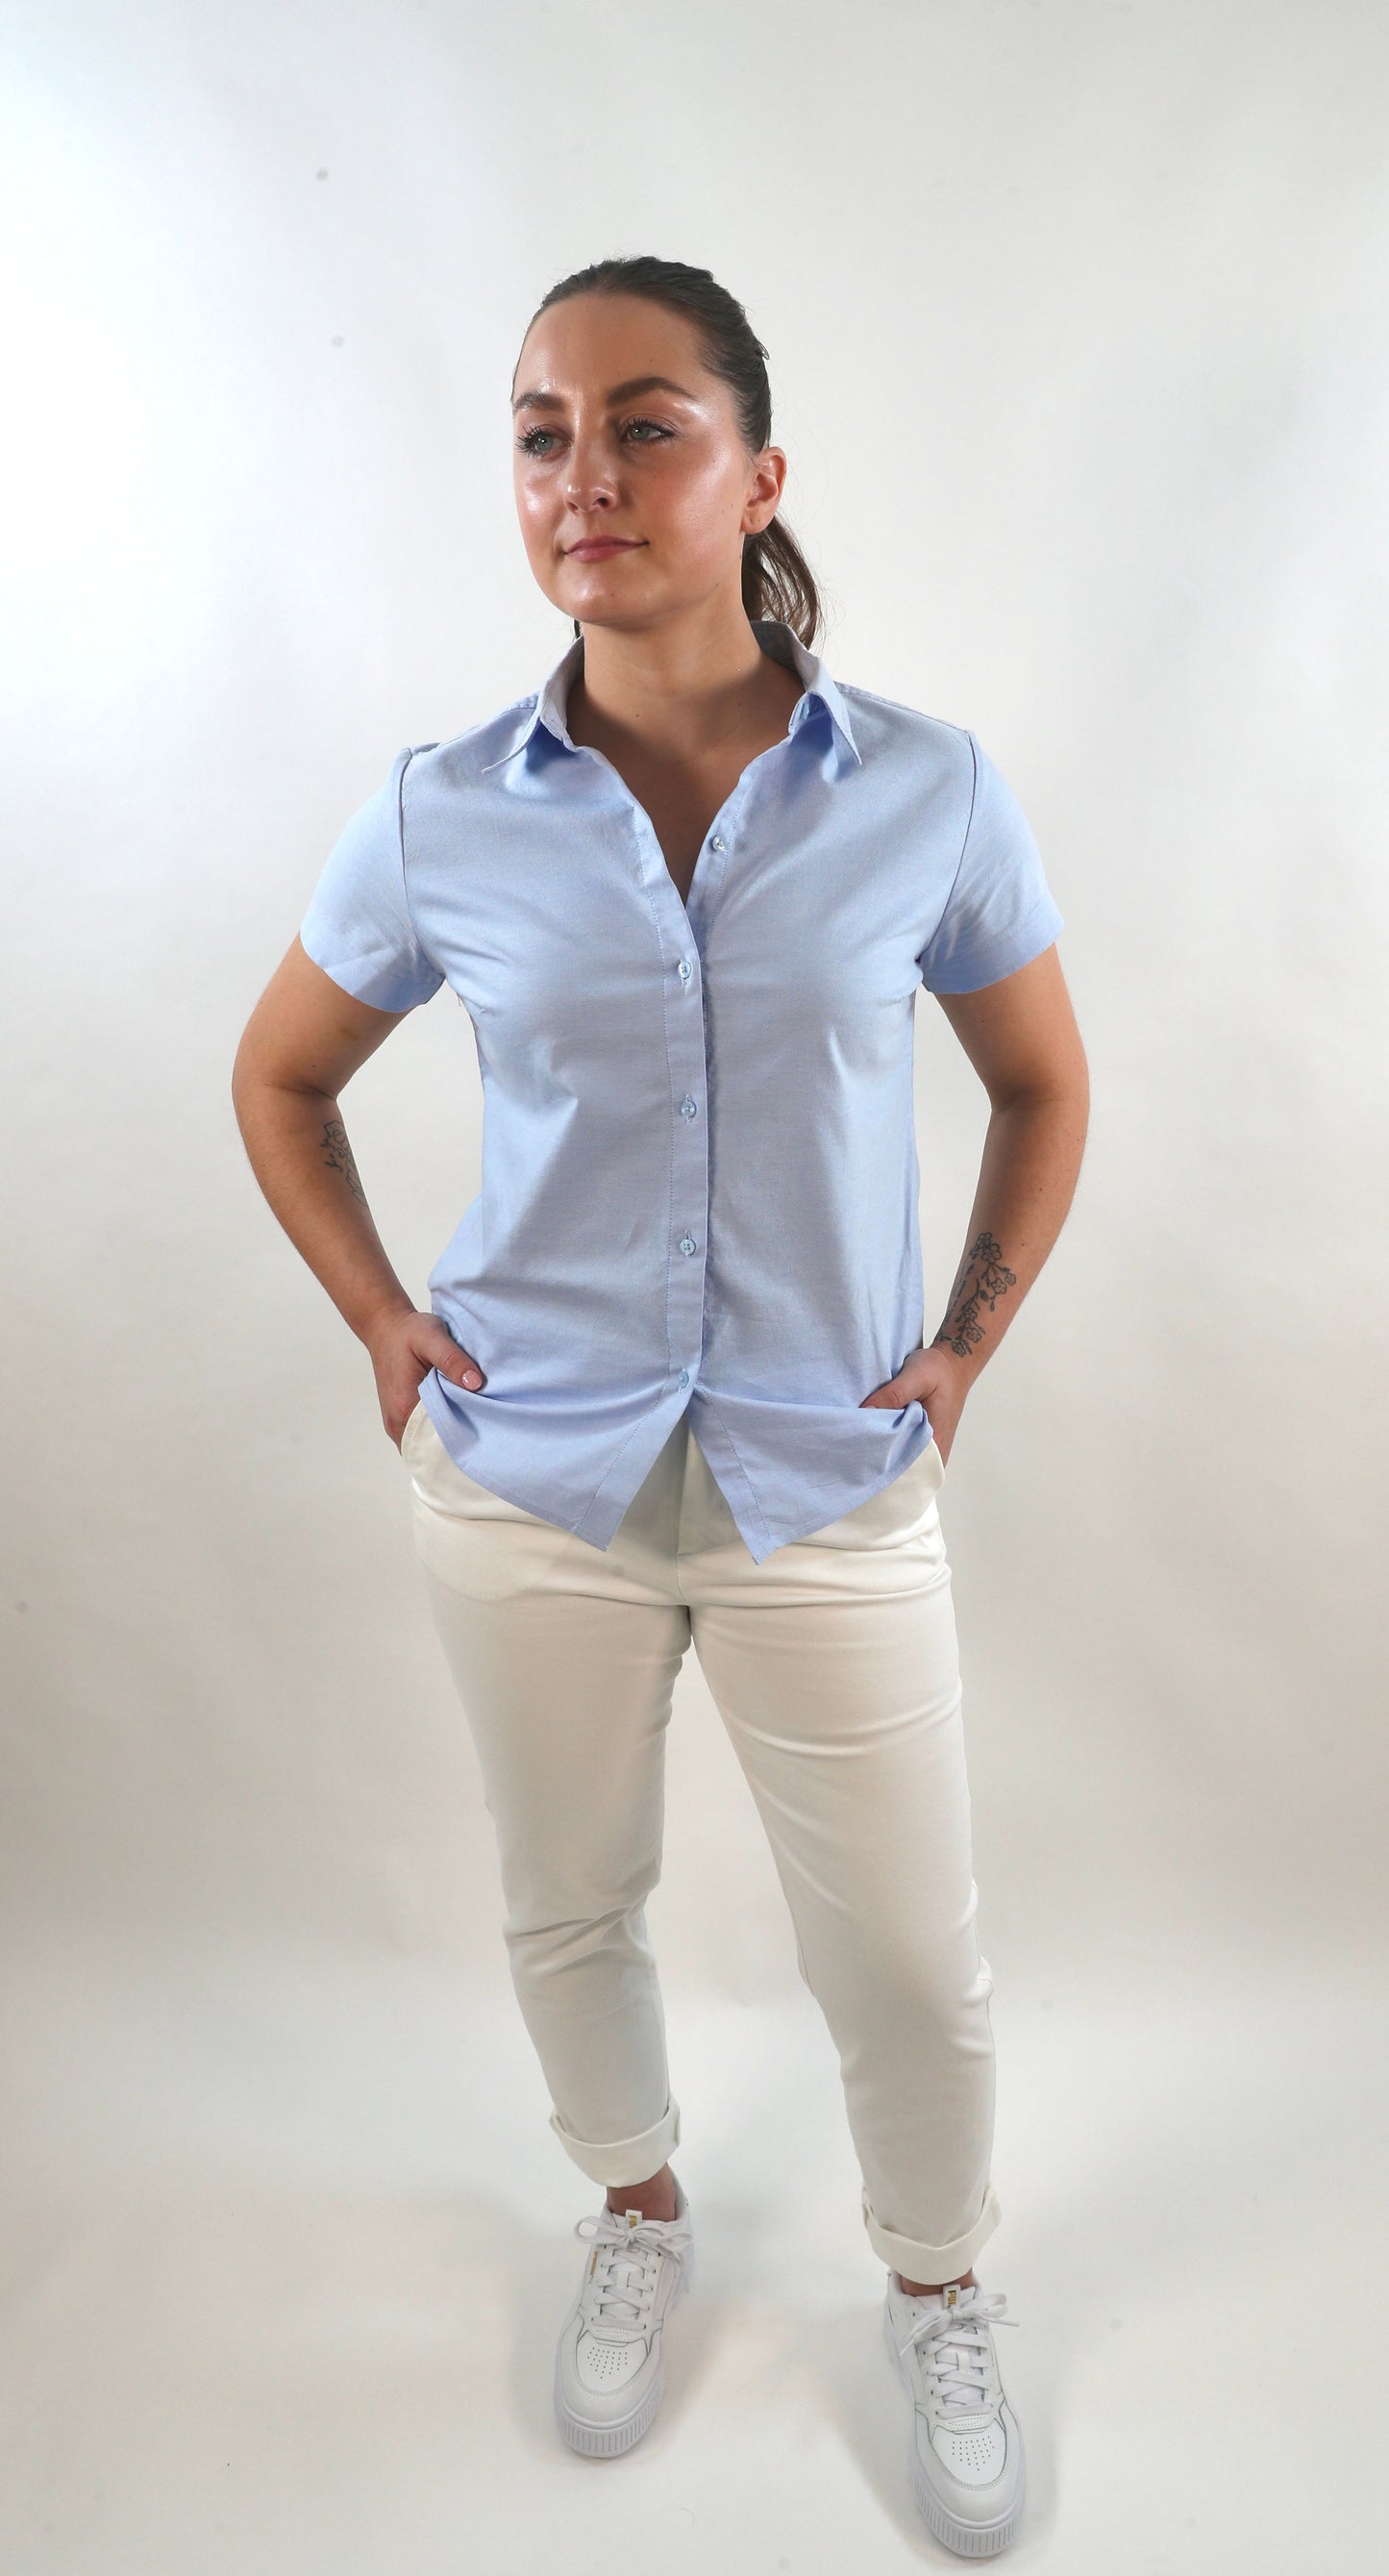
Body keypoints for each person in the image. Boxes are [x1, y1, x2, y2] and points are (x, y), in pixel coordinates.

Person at [232, 254, 1088, 2556]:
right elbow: (283, 1075)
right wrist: (383, 1318)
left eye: (643, 425)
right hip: (531, 1475)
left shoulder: (925, 788)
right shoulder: (442, 810)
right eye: (542, 433)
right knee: (568, 1899)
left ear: (758, 472)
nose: (582, 476)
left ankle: (940, 2281)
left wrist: (966, 1338)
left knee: (906, 1955)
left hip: (832, 1471)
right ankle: (635, 2207)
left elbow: (1040, 1081)